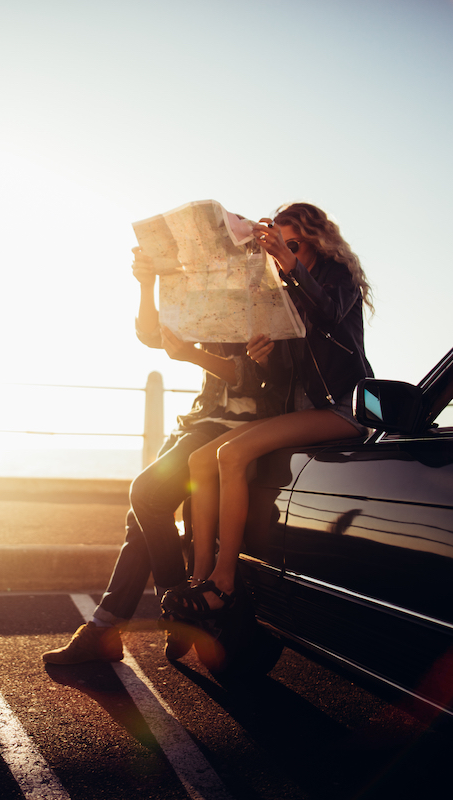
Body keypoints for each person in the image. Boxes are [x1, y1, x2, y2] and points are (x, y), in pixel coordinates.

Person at [43, 240, 291, 665]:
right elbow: (150, 335)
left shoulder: (271, 302)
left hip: (234, 428)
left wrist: (195, 354)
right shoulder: (211, 299)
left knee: (145, 495)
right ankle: (111, 627)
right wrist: (146, 282)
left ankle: (174, 608)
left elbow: (252, 381)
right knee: (140, 519)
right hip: (199, 421)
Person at [162, 202, 374, 619]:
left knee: (230, 454)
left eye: (291, 242)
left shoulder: (337, 276)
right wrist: (262, 358)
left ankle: (224, 582)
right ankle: (200, 574)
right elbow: (279, 377)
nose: (282, 251)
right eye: (277, 243)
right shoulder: (276, 290)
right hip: (297, 410)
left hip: (341, 406)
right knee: (200, 459)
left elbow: (330, 315)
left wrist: (288, 262)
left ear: (315, 241)